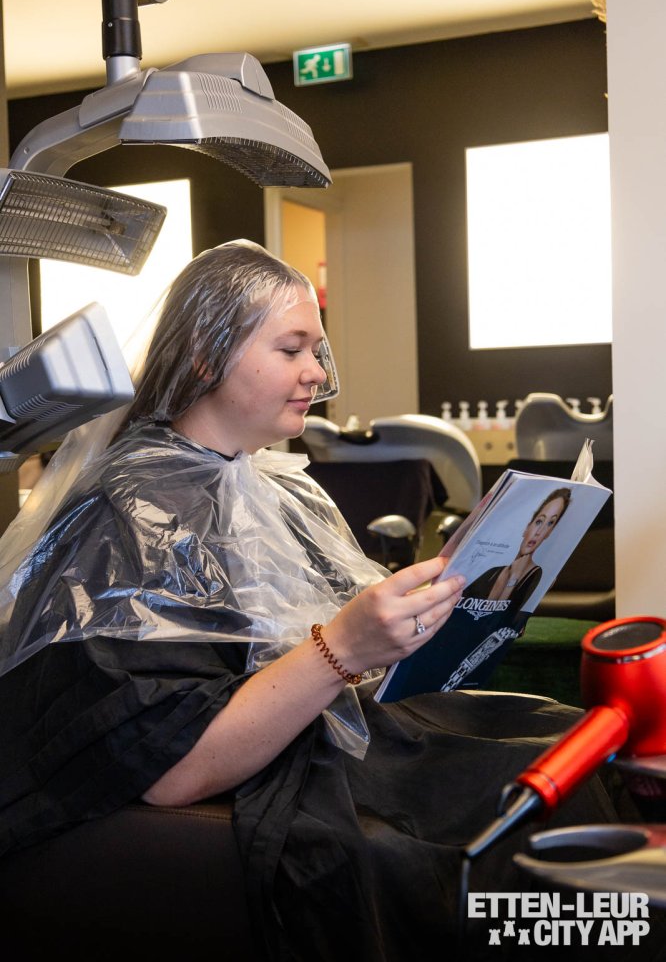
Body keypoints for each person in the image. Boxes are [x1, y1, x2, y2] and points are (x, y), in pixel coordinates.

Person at [0, 241, 660, 962]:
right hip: (272, 782)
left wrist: (437, 617)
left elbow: (335, 651)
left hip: (334, 742)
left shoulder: (278, 488)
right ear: (203, 355)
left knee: (570, 738)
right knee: (495, 821)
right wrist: (343, 646)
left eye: (316, 350)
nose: (316, 372)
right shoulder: (128, 516)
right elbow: (170, 769)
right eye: (291, 349)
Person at [463, 488, 571, 611]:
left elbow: (498, 618)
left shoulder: (535, 575)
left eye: (550, 523)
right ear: (527, 527)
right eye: (539, 521)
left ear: (549, 533)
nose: (539, 532)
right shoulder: (493, 572)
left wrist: (513, 578)